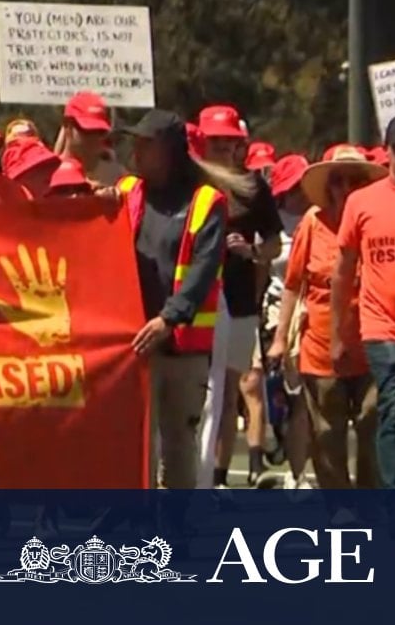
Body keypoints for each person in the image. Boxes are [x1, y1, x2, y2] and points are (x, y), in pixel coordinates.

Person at [116, 109, 235, 489]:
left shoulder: (207, 203)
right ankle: (143, 522)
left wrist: (168, 319)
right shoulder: (125, 192)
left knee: (179, 443)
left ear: (167, 151)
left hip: (183, 348)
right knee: (138, 441)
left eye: (143, 145)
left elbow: (202, 272)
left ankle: (175, 529)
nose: (135, 152)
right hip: (134, 342)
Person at [270, 146, 386, 489]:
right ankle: (339, 508)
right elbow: (292, 285)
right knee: (326, 433)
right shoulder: (312, 223)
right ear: (329, 186)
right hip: (320, 347)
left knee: (373, 421)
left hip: (373, 343)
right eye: (339, 181)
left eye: (355, 181)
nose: (347, 188)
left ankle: (370, 502)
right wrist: (280, 339)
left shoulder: (377, 221)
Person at [195, 104, 282, 489]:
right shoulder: (191, 181)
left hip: (241, 296)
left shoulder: (253, 187)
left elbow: (274, 245)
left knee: (230, 392)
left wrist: (251, 252)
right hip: (197, 299)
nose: (224, 150)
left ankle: (216, 475)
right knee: (197, 391)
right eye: (216, 143)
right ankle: (184, 470)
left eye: (230, 143)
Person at [333, 114, 395, 490]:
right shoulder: (362, 203)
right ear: (388, 152)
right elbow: (343, 271)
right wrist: (338, 333)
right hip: (383, 326)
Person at [261, 154, 315, 490]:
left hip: (314, 312)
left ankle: (304, 472)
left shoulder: (320, 217)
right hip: (277, 313)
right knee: (289, 395)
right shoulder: (273, 222)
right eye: (292, 185)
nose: (298, 191)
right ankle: (294, 469)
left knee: (309, 398)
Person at [56, 91, 123, 186]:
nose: (94, 139)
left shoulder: (117, 178)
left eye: (100, 132)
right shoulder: (49, 174)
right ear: (68, 127)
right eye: (88, 130)